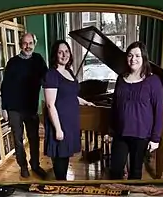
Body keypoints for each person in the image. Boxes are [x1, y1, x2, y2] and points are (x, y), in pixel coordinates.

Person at [110, 41, 163, 180]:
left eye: (137, 56)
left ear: (143, 58)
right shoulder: (121, 79)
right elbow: (114, 107)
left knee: (135, 173)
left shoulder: (153, 81)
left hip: (141, 135)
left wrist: (155, 138)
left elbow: (158, 112)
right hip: (120, 133)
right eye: (130, 55)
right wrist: (110, 130)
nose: (133, 59)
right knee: (115, 171)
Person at [43, 40, 95, 180]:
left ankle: (63, 183)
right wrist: (58, 129)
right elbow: (50, 104)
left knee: (65, 155)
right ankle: (61, 185)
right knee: (61, 157)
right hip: (59, 121)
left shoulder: (69, 72)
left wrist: (85, 102)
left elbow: (71, 95)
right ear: (55, 54)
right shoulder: (52, 74)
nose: (64, 55)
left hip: (70, 122)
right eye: (60, 52)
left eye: (66, 51)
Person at [0, 33, 48, 179]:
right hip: (13, 108)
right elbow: (5, 86)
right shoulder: (13, 62)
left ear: (34, 43)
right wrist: (4, 108)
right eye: (25, 43)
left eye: (30, 43)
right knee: (18, 139)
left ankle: (35, 165)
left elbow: (47, 78)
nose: (28, 46)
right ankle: (23, 166)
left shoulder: (38, 59)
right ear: (21, 45)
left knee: (34, 138)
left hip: (30, 107)